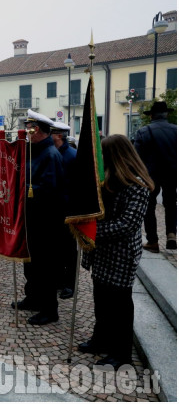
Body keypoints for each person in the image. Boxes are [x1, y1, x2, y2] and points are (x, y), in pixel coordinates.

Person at [79, 134, 154, 369]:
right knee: (101, 300)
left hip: (121, 254)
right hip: (102, 252)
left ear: (115, 156)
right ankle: (101, 339)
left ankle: (121, 354)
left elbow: (126, 225)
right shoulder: (107, 180)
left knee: (119, 306)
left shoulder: (137, 185)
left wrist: (91, 231)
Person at [13, 110, 65, 326]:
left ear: (41, 131)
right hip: (32, 218)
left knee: (45, 267)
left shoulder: (50, 155)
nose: (27, 133)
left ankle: (49, 309)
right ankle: (33, 297)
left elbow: (48, 190)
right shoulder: (34, 151)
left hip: (45, 222)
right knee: (30, 264)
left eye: (30, 129)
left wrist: (21, 188)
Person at [134, 101, 177, 252]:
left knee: (149, 206)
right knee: (171, 204)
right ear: (167, 114)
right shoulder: (176, 130)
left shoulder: (143, 131)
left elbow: (136, 157)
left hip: (150, 174)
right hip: (172, 173)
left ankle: (153, 241)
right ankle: (171, 233)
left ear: (151, 115)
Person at [51, 121, 78, 300]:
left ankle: (70, 283)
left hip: (68, 209)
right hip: (56, 208)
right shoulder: (56, 153)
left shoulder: (72, 155)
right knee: (57, 248)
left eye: (51, 133)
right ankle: (60, 280)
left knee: (69, 249)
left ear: (59, 136)